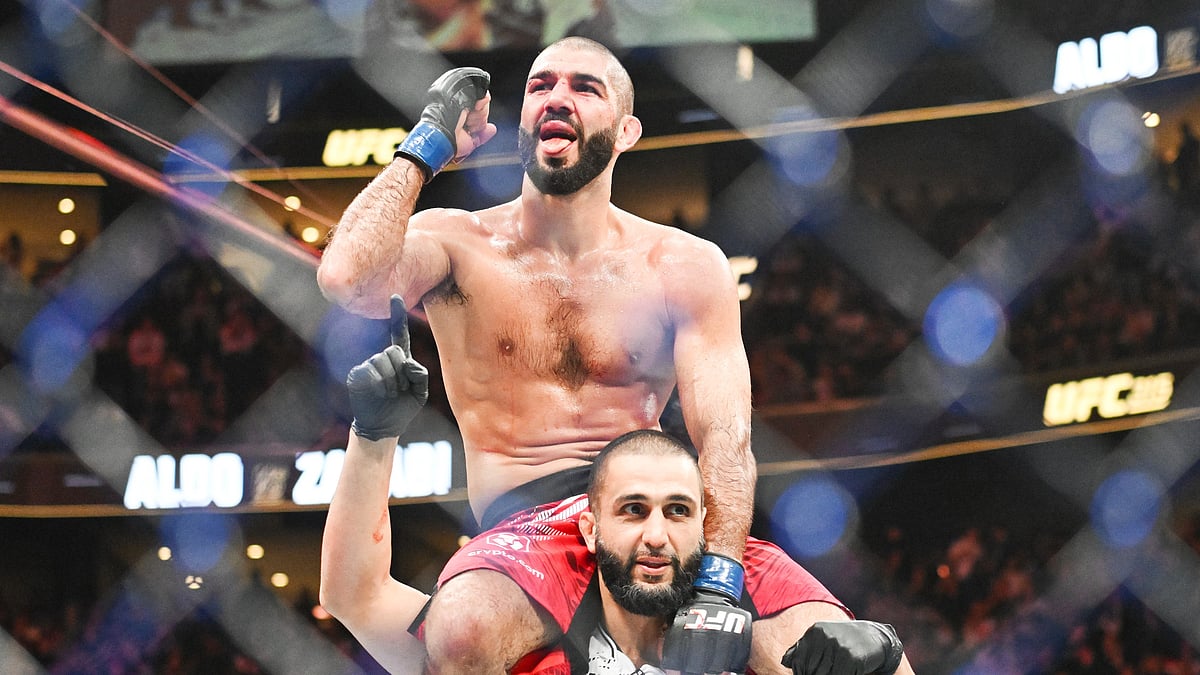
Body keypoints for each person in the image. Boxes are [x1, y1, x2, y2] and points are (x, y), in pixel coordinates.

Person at [317, 37, 910, 674]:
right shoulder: (455, 242)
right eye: (541, 86)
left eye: (584, 87)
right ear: (519, 119)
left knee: (863, 657)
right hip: (528, 525)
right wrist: (428, 142)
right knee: (461, 631)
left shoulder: (681, 263)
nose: (557, 99)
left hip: (658, 511)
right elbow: (347, 280)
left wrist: (719, 575)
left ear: (626, 131)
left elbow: (725, 436)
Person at [321, 306, 913, 674]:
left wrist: (883, 649)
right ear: (589, 525)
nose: (656, 535)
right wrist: (374, 435)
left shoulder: (762, 637)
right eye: (634, 511)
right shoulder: (512, 653)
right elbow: (355, 595)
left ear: (703, 526)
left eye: (677, 511)